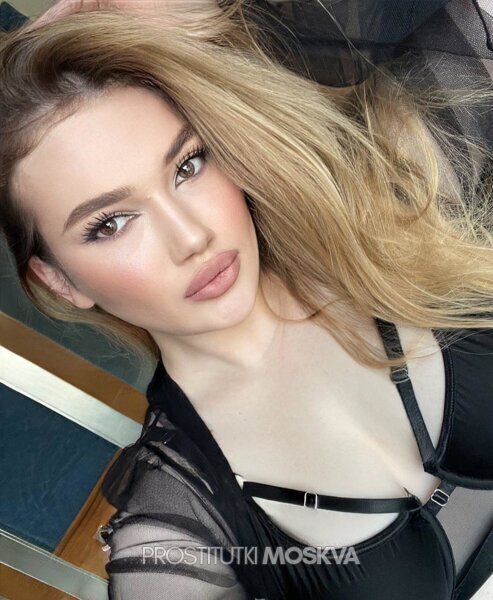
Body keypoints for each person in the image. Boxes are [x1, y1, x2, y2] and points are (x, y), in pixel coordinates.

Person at [0, 1, 492, 598]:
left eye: (188, 165)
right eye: (110, 223)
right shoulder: (176, 536)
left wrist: (190, 12)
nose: (191, 236)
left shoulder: (390, 199)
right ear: (60, 281)